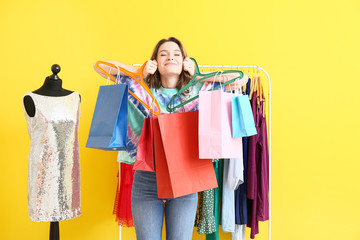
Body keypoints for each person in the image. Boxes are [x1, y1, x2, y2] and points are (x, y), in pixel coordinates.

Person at [94, 37, 247, 240]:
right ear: (155, 62)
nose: (170, 57)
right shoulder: (141, 88)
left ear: (184, 61)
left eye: (176, 54)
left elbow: (241, 79)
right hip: (147, 179)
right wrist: (137, 71)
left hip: (184, 178)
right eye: (163, 54)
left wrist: (199, 75)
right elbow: (100, 67)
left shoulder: (197, 90)